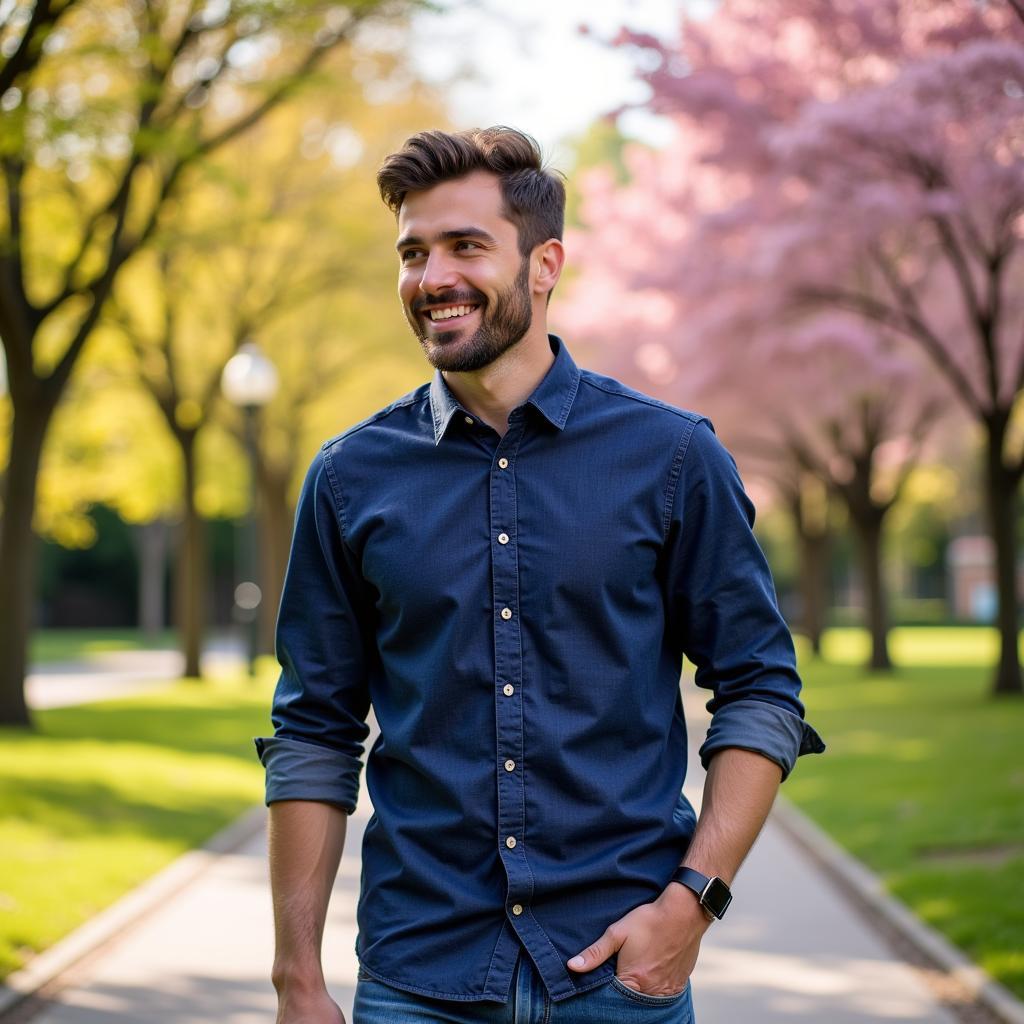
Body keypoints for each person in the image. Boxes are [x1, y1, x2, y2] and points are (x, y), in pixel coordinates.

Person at [255, 126, 824, 1024]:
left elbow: (761, 689)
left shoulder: (673, 457)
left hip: (621, 977)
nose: (431, 277)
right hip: (418, 980)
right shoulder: (349, 476)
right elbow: (313, 732)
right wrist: (297, 979)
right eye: (412, 252)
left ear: (545, 263)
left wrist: (693, 905)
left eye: (465, 246)